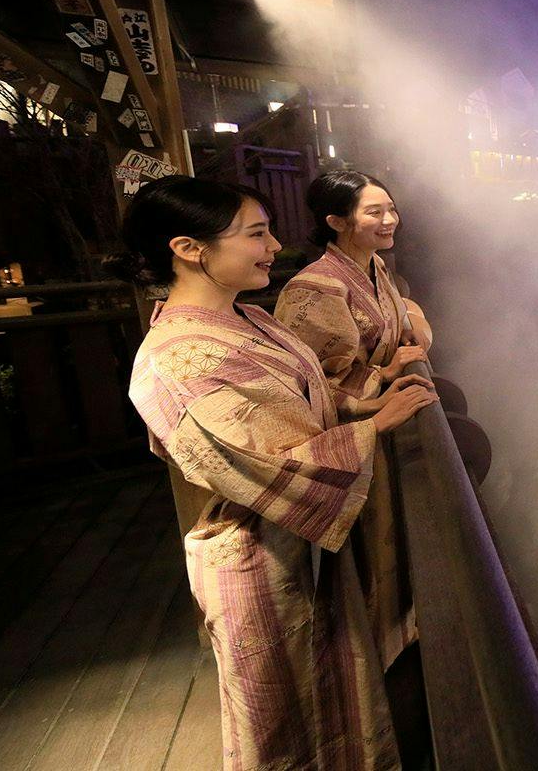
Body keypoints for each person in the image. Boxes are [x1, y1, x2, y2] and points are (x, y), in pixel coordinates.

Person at [113, 175, 437, 770]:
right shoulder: (179, 356)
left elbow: (307, 398)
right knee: (288, 728)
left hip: (298, 547)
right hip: (261, 557)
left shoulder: (245, 319)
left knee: (338, 700)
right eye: (257, 233)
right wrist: (373, 428)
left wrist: (365, 403)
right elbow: (264, 460)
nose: (273, 245)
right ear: (189, 248)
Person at [274, 170, 430, 668]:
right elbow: (309, 383)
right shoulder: (315, 288)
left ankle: (395, 650)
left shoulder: (373, 268)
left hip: (379, 425)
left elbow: (399, 331)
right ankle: (370, 664)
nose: (390, 220)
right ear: (336, 221)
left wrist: (394, 356)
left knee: (392, 547)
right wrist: (382, 377)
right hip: (354, 435)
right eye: (374, 212)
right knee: (371, 556)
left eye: (391, 209)